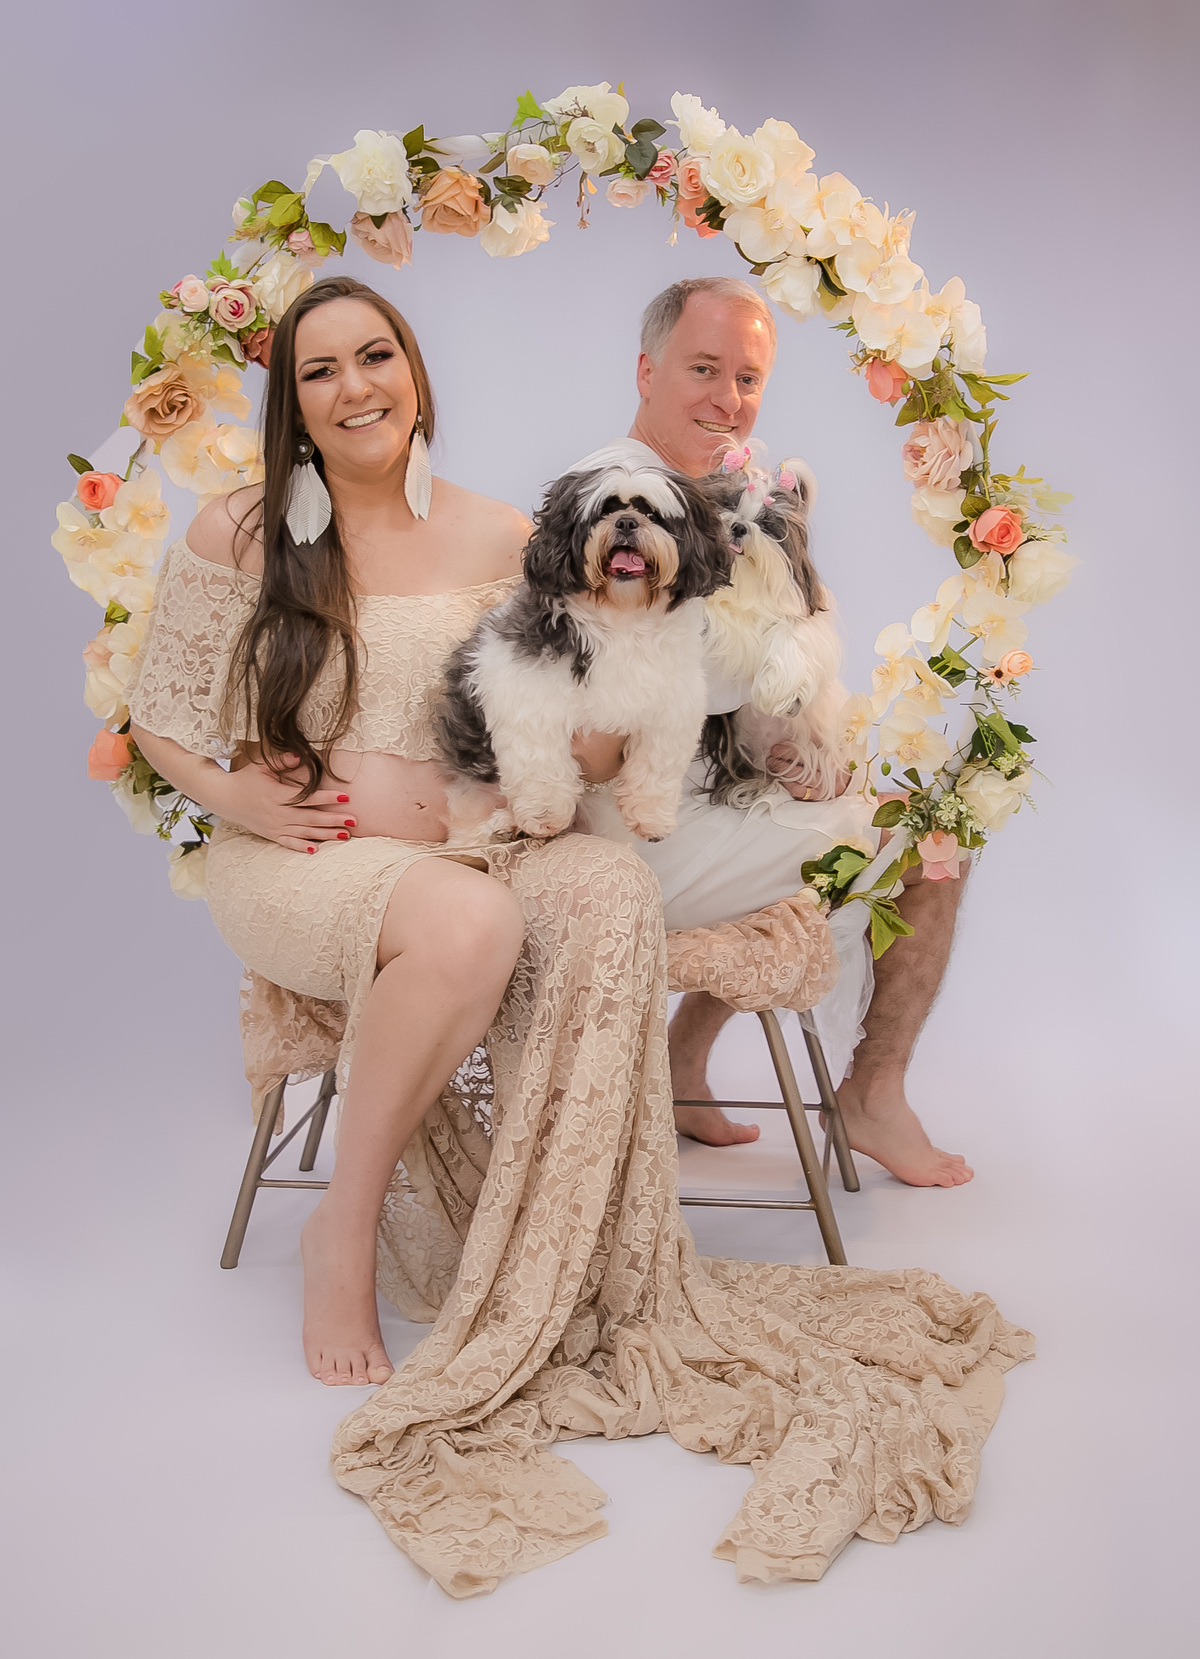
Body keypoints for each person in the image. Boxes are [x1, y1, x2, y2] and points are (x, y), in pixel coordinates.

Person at [124, 274, 1028, 1594]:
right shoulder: (242, 529)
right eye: (320, 371)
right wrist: (237, 794)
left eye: (376, 356)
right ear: (293, 402)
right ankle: (344, 1229)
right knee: (470, 918)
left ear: (414, 373)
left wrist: (569, 757)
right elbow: (157, 716)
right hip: (305, 855)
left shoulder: (504, 534)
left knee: (601, 886)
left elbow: (591, 714)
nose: (356, 387)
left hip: (474, 837)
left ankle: (582, 1240)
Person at [573, 276, 972, 1188]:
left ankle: (681, 1063)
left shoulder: (710, 489)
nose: (728, 398)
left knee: (861, 804)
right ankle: (873, 1092)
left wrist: (791, 746)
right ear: (646, 370)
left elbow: (778, 646)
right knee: (935, 841)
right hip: (626, 838)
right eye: (703, 369)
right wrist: (787, 664)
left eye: (747, 378)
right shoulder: (622, 495)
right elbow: (697, 669)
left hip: (695, 805)